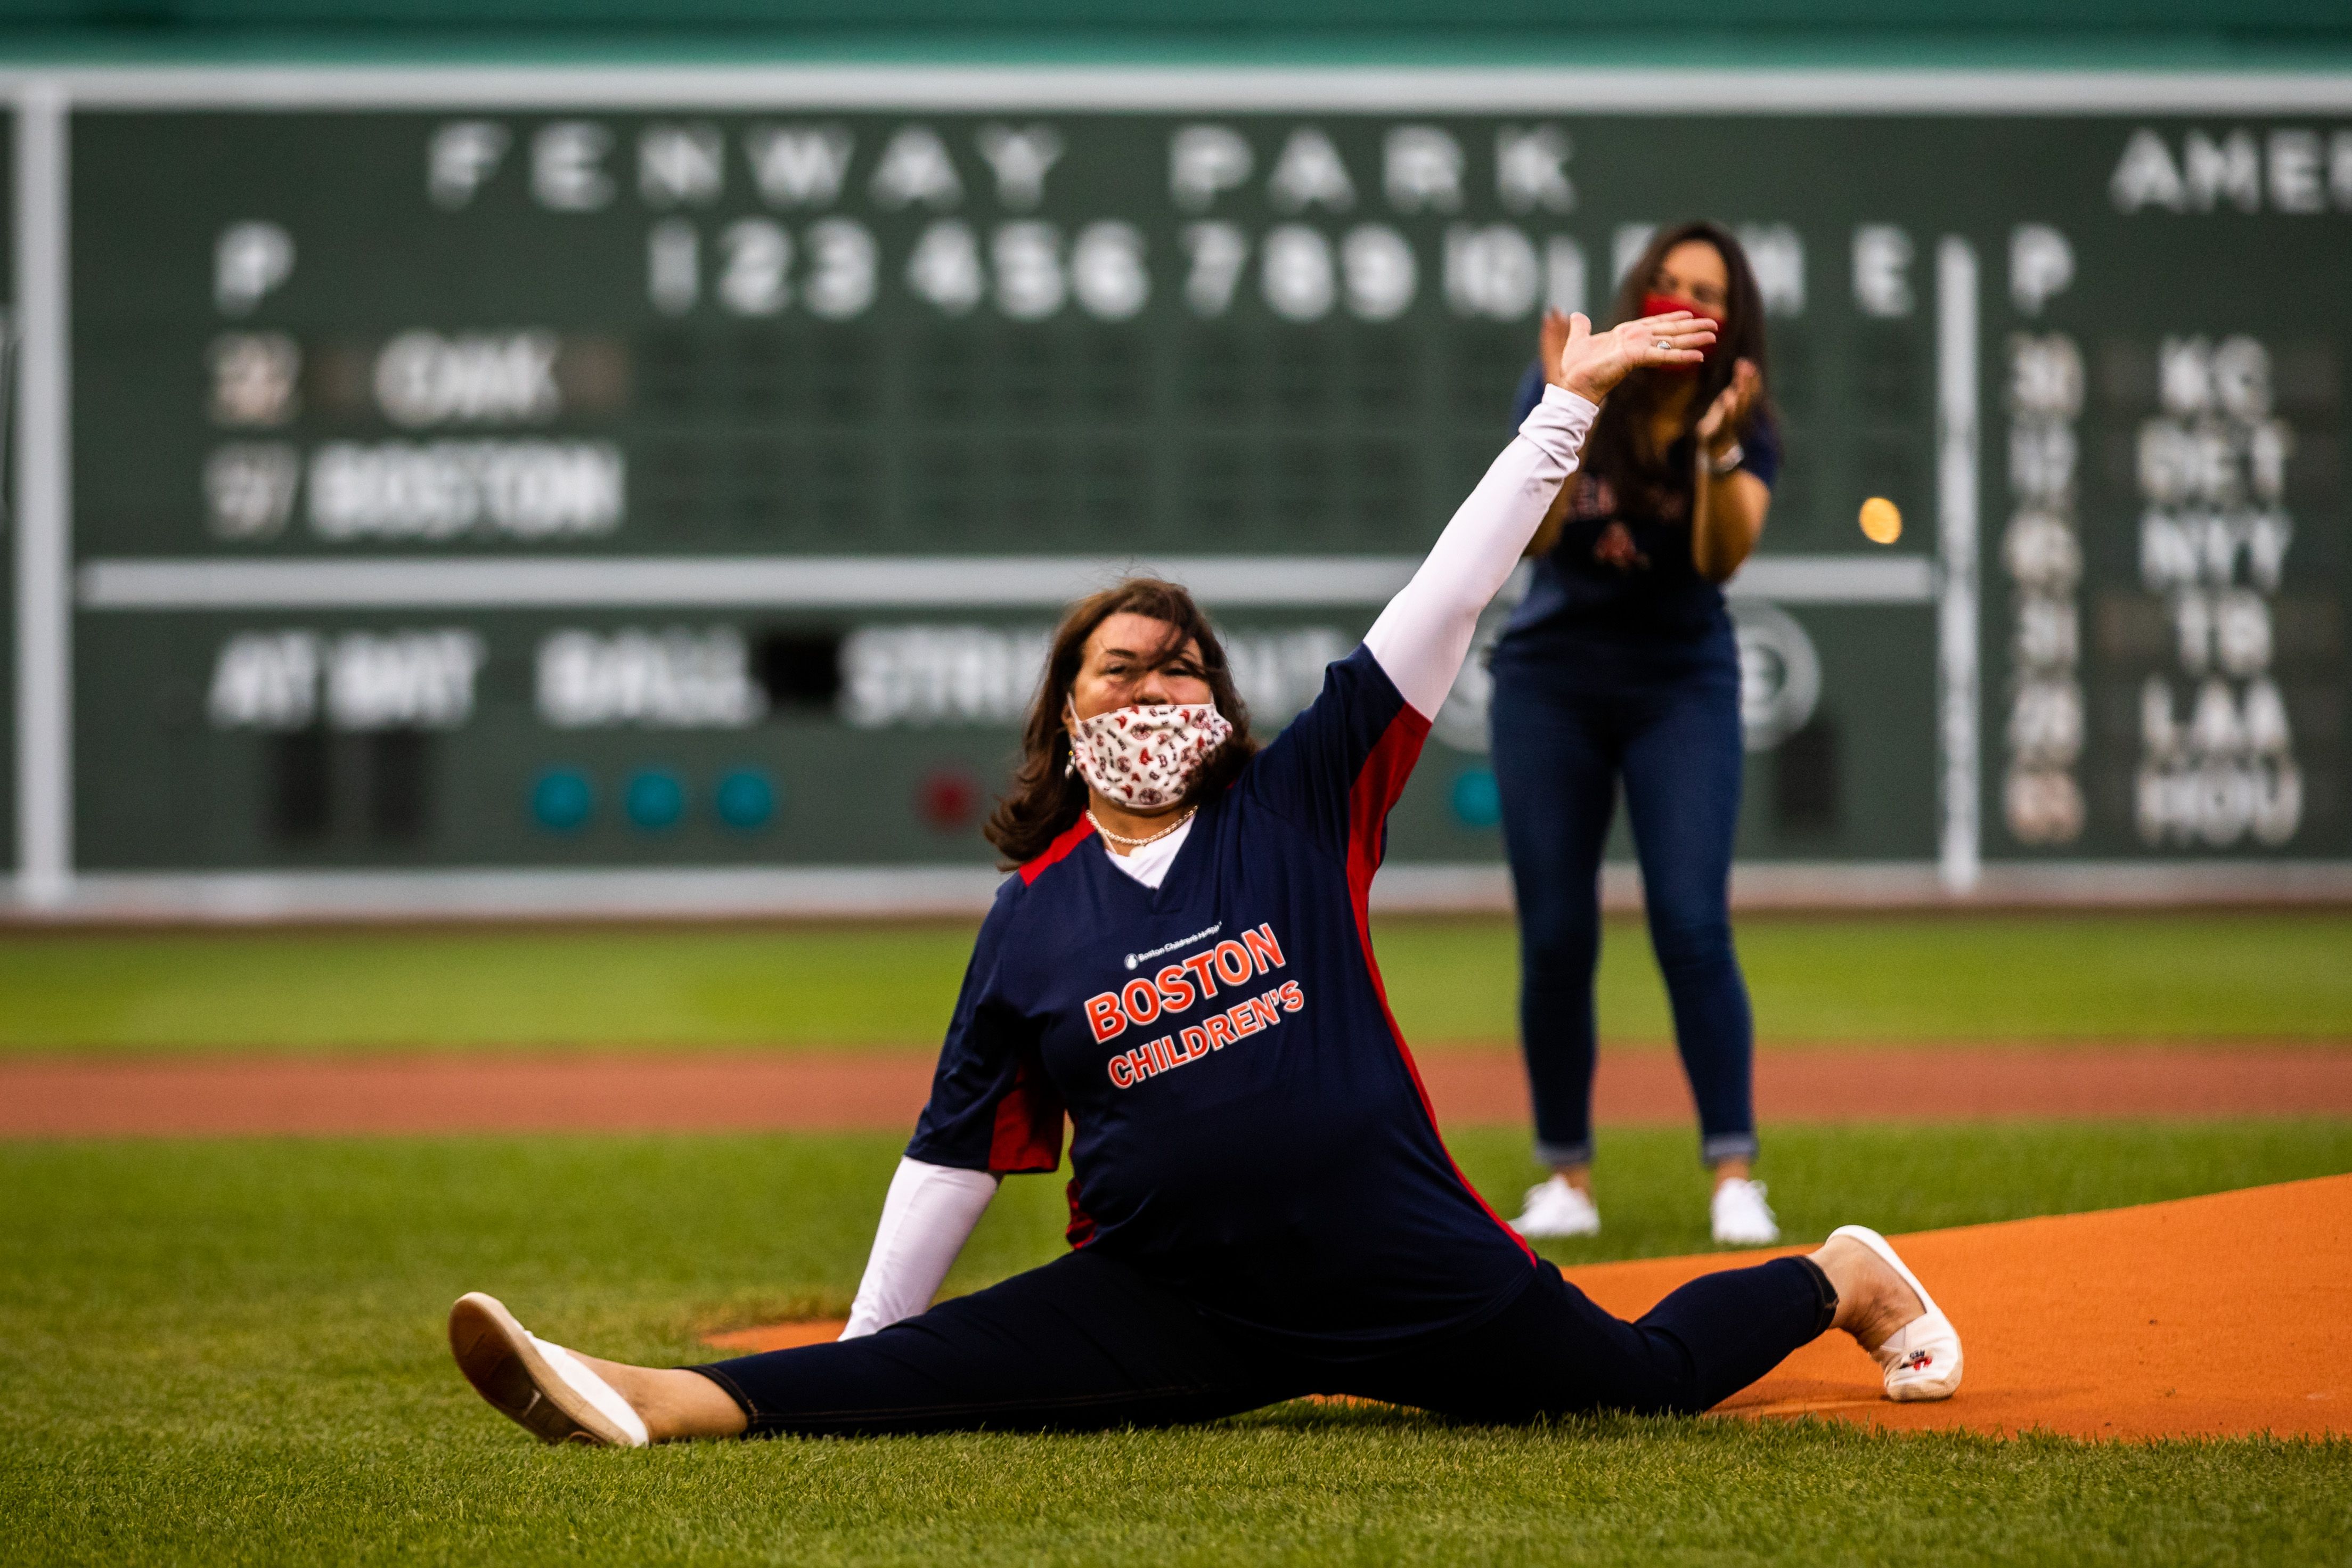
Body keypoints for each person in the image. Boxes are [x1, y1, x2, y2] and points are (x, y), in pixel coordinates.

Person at [447, 307, 1961, 1447]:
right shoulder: (1033, 921)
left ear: (1222, 707)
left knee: (1641, 1383)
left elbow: (1446, 599)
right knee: (929, 1376)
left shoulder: (1298, 802)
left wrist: (1559, 417)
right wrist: (865, 1360)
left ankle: (1837, 1276)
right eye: (1122, 670)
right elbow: (953, 1160)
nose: (1157, 690)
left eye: (1185, 669)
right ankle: (638, 1396)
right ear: (1064, 714)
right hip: (1176, 1298)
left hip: (1403, 1261)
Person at [1490, 222, 1783, 1248]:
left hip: (1679, 686)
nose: (1676, 301)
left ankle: (1733, 1175)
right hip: (1551, 682)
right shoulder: (1576, 378)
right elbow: (1532, 536)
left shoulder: (1744, 419)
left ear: (1728, 318)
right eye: (1663, 281)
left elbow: (1718, 560)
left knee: (1692, 925)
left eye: (1702, 291)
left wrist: (1712, 453)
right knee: (1558, 936)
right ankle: (1566, 1178)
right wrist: (1570, 403)